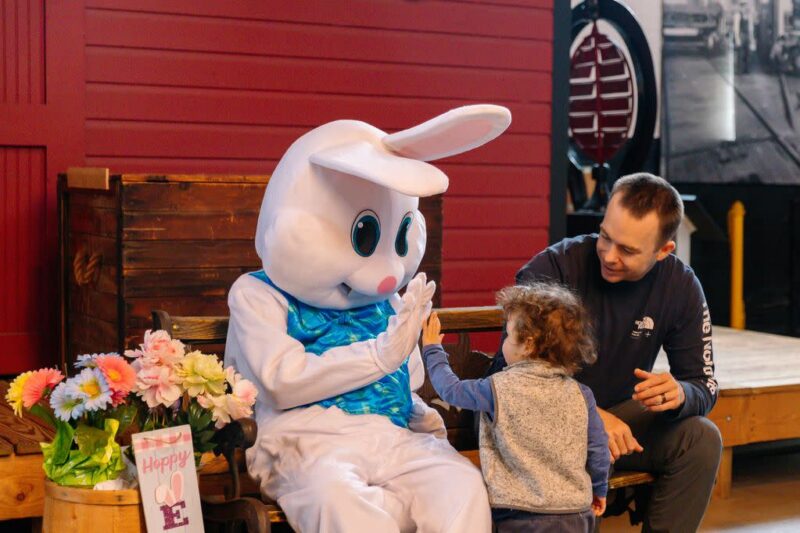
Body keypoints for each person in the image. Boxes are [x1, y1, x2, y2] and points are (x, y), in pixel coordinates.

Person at [486, 172, 722, 532]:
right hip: (538, 423)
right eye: (605, 237)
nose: (610, 256)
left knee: (701, 439)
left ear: (663, 251)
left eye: (627, 250)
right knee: (584, 445)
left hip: (617, 420)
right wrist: (589, 416)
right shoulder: (552, 269)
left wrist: (680, 393)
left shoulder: (681, 286)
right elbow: (511, 379)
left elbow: (704, 386)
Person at [422, 283, 611, 532]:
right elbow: (598, 447)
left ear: (528, 344)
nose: (504, 343)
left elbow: (451, 390)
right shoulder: (581, 393)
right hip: (575, 512)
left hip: (520, 515)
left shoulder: (497, 388)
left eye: (509, 335)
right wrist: (599, 488)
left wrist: (432, 349)